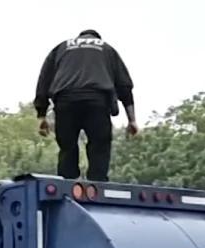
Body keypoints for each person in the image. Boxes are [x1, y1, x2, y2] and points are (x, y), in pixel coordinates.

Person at [33, 29, 138, 182]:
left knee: (67, 147)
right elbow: (124, 86)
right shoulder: (106, 48)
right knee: (99, 146)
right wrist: (132, 120)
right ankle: (98, 184)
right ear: (97, 38)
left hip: (66, 102)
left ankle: (68, 183)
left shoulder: (61, 48)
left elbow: (44, 81)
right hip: (97, 102)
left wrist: (41, 115)